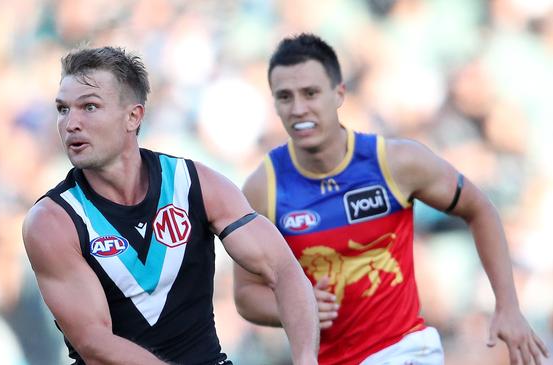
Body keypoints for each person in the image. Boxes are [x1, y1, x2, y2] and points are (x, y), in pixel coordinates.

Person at [233, 33, 550, 365]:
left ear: (339, 93)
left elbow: (480, 208)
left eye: (310, 93)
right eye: (285, 97)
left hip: (405, 351)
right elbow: (246, 294)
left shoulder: (394, 163)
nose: (298, 109)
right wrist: (297, 305)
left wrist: (508, 307)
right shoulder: (263, 189)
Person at [22, 46, 319, 365]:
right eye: (63, 109)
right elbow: (95, 344)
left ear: (133, 116)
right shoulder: (53, 221)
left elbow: (284, 269)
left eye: (89, 107)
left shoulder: (195, 185)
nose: (70, 123)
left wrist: (305, 358)